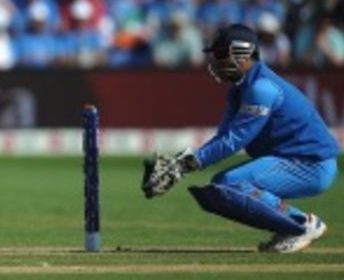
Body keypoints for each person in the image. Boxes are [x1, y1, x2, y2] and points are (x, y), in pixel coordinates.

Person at [142, 24, 340, 253]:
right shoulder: (239, 90)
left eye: (220, 54)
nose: (215, 61)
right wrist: (182, 161)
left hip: (310, 164)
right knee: (220, 188)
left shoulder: (261, 89)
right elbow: (224, 137)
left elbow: (235, 140)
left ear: (241, 53)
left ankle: (301, 225)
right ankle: (291, 226)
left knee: (229, 184)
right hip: (295, 159)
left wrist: (185, 166)